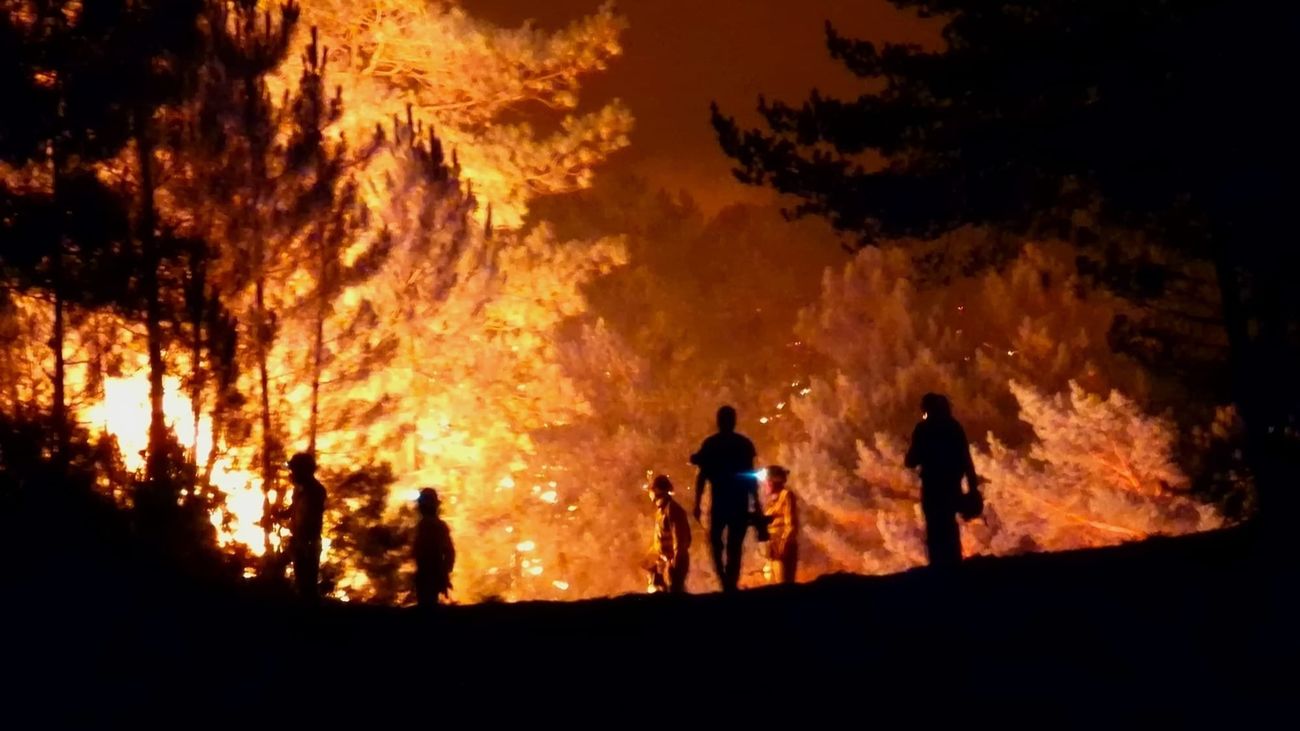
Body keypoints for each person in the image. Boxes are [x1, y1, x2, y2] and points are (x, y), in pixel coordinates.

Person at [904, 393, 981, 568]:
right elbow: (966, 461)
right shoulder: (954, 428)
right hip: (951, 488)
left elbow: (910, 460)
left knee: (935, 529)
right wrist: (973, 489)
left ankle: (939, 571)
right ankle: (953, 567)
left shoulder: (923, 429)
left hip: (933, 488)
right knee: (949, 528)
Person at [691, 405, 760, 592]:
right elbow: (750, 476)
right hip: (738, 501)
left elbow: (702, 476)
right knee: (734, 545)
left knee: (717, 542)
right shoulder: (743, 444)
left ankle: (725, 581)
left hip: (721, 501)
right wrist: (757, 504)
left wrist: (697, 503)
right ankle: (730, 581)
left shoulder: (711, 444)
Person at [287, 452, 327, 599]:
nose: (292, 473)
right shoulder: (299, 489)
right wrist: (280, 514)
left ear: (305, 470)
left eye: (295, 469)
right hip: (299, 541)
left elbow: (312, 519)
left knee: (308, 586)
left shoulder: (316, 491)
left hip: (309, 544)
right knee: (300, 583)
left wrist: (305, 543)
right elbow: (294, 508)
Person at [646, 474, 692, 594]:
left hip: (673, 563)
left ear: (657, 490)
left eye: (651, 490)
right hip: (665, 563)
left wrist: (674, 564)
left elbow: (680, 540)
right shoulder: (661, 511)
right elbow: (659, 540)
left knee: (674, 595)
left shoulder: (672, 510)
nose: (649, 493)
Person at [414, 488, 455, 607]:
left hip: (429, 575)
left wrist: (442, 573)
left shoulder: (432, 526)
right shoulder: (429, 525)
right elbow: (449, 552)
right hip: (429, 574)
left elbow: (448, 552)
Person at [762, 465, 799, 584]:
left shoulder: (786, 495)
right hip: (772, 548)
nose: (765, 485)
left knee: (783, 585)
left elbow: (791, 524)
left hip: (782, 548)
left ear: (774, 482)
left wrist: (783, 544)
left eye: (767, 482)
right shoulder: (769, 501)